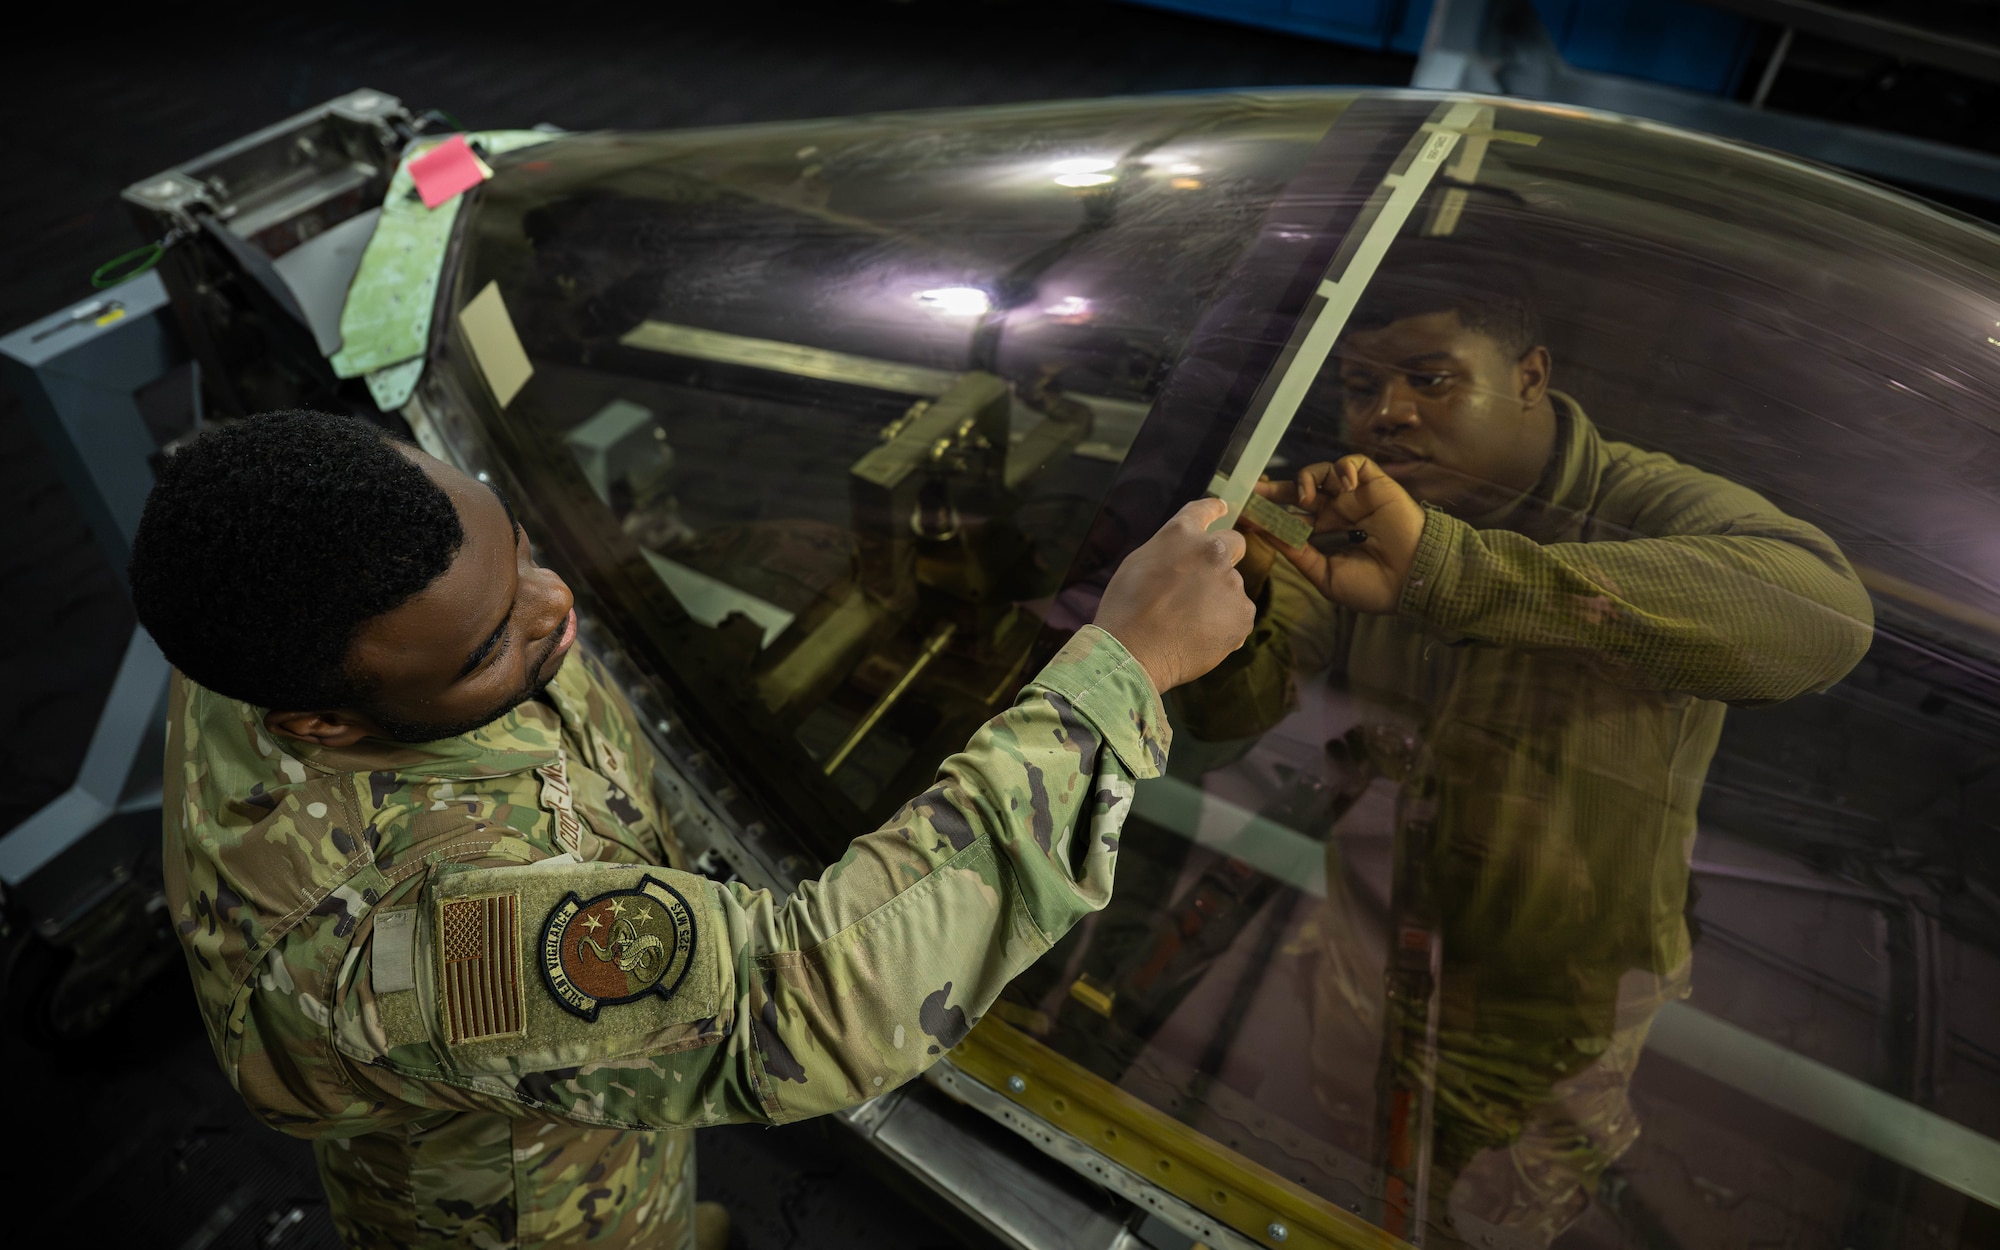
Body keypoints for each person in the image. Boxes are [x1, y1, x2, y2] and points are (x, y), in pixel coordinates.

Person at [128, 410, 1255, 1250]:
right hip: (533, 1215)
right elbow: (810, 996)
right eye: (484, 649)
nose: (553, 600)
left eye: (516, 546)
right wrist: (1125, 670)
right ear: (319, 719)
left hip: (599, 1116)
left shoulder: (282, 589)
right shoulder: (406, 944)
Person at [1170, 245, 1876, 1244]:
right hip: (1366, 936)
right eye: (1361, 385)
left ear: (1530, 377)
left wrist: (1455, 572)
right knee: (1339, 1151)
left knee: (1500, 1211)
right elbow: (1239, 704)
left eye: (1430, 376)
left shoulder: (1637, 505)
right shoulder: (1351, 507)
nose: (1388, 413)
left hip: (1554, 992)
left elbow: (1825, 620)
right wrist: (1232, 589)